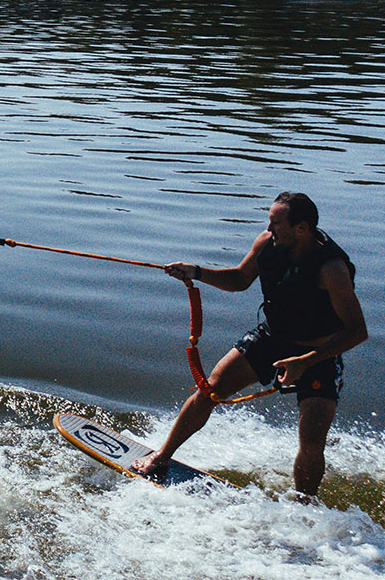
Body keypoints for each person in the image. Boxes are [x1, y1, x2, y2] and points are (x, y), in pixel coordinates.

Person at [131, 192, 367, 496]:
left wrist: (304, 362)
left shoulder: (331, 269)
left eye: (276, 224)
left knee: (310, 443)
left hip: (318, 354)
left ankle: (303, 508)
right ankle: (161, 457)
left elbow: (357, 332)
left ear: (302, 229)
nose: (269, 230)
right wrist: (197, 272)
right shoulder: (267, 245)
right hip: (272, 338)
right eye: (269, 222)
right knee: (209, 390)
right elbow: (240, 279)